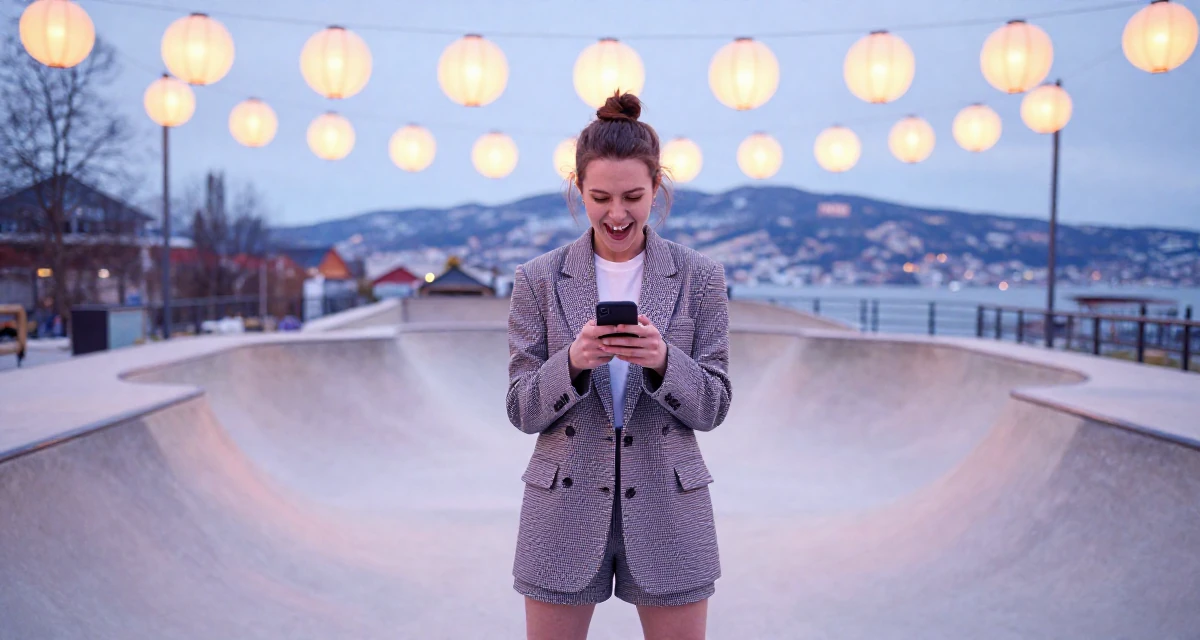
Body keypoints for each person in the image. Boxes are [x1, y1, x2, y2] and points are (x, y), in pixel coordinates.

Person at [505, 92, 732, 640]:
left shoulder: (701, 278)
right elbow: (520, 407)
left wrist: (662, 362)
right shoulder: (537, 279)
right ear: (578, 190)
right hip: (561, 505)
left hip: (670, 506)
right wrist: (574, 362)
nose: (617, 214)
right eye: (600, 197)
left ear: (658, 188)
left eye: (633, 196)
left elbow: (715, 404)